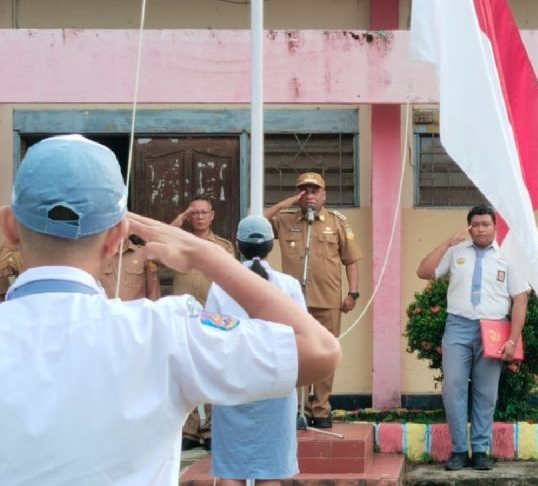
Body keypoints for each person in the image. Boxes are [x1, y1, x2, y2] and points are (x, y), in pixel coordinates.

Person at [0, 135, 340, 484]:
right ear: (118, 236)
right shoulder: (164, 331)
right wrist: (204, 255)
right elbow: (320, 350)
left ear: (9, 227)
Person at [416, 205, 529, 471]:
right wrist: (447, 243)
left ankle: (480, 449)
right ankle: (458, 450)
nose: (480, 229)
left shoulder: (508, 256)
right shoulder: (457, 253)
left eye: (485, 224)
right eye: (475, 224)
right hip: (458, 326)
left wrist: (513, 339)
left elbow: (520, 299)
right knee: (453, 386)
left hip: (494, 330)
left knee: (485, 393)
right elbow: (424, 271)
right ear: (469, 227)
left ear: (494, 227)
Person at [207, 216, 305, 485]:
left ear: (239, 245)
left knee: (231, 469)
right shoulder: (289, 286)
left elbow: (210, 337)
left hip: (233, 382)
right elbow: (303, 338)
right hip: (277, 382)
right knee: (270, 470)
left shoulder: (221, 285)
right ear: (271, 245)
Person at [266, 172, 363, 429]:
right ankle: (296, 409)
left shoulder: (338, 222)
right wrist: (285, 203)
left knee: (325, 355)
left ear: (324, 195)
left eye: (314, 191)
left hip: (328, 300)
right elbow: (258, 224)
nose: (309, 196)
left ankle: (320, 408)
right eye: (304, 191)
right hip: (294, 302)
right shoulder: (286, 220)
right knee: (295, 355)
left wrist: (352, 293)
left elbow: (350, 261)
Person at [171, 195, 236, 449]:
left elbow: (230, 275)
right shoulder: (178, 240)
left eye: (203, 213)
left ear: (212, 216)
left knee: (211, 368)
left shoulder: (223, 245)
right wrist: (181, 216)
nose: (198, 217)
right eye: (194, 213)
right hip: (183, 314)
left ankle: (209, 427)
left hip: (212, 315)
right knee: (184, 370)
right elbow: (161, 237)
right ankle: (189, 429)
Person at [99, 235, 161, 301]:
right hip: (105, 310)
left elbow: (153, 290)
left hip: (136, 310)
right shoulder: (99, 256)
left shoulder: (143, 254)